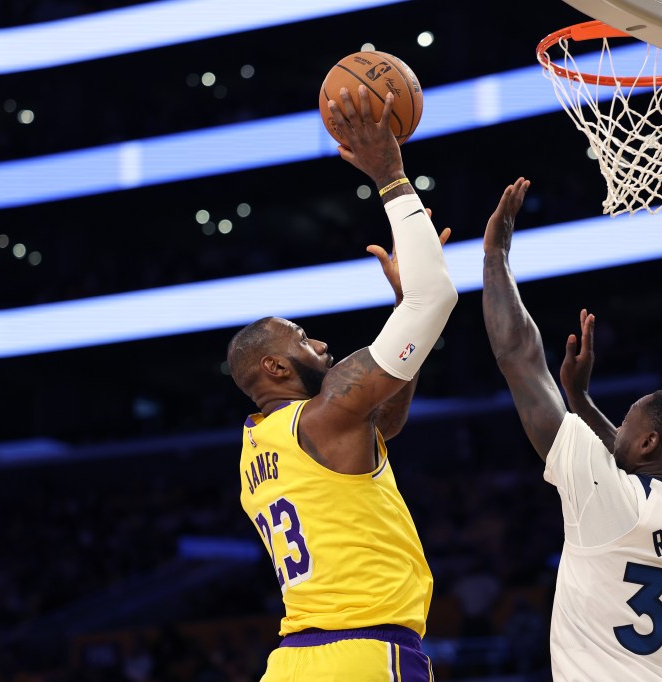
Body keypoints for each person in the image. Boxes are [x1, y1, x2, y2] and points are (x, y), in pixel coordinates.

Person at [226, 86, 457, 681]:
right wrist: (391, 178)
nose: (321, 343)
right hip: (362, 656)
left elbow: (386, 422)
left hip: (291, 663)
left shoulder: (260, 441)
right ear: (274, 368)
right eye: (303, 338)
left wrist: (404, 301)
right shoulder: (324, 415)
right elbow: (439, 297)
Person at [481, 177, 662, 681]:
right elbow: (625, 462)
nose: (614, 430)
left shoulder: (612, 503)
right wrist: (578, 400)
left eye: (628, 423)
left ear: (649, 442)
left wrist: (495, 256)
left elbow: (518, 356)